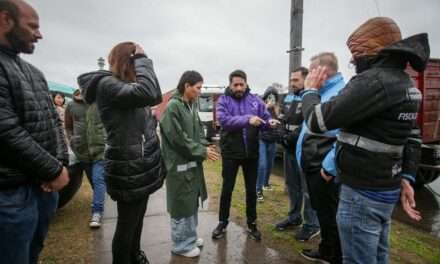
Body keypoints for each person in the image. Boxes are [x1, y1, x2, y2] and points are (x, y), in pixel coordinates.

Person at [302, 17, 429, 264]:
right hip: (385, 188)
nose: (353, 60)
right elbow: (411, 137)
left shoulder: (373, 81)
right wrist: (406, 176)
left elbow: (318, 120)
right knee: (378, 257)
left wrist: (309, 91)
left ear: (373, 49)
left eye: (357, 53)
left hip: (361, 192)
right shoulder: (406, 84)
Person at [77, 41, 165, 264]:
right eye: (136, 62)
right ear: (130, 61)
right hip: (127, 168)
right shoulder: (108, 84)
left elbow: (150, 98)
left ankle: (135, 256)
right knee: (126, 226)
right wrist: (143, 59)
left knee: (137, 221)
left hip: (140, 167)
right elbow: (151, 92)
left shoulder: (127, 88)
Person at [0, 1, 69, 263]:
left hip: (43, 190)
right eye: (32, 27)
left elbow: (55, 123)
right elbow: (6, 132)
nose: (39, 35)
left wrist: (62, 164)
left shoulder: (34, 73)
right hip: (10, 196)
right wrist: (53, 170)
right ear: (6, 19)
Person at [212, 69, 278, 241]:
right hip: (231, 153)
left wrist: (269, 123)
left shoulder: (255, 100)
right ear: (230, 85)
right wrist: (247, 119)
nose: (239, 87)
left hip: (251, 153)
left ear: (246, 84)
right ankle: (222, 222)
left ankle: (252, 223)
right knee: (227, 189)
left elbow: (263, 120)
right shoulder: (223, 100)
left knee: (251, 191)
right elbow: (224, 122)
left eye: (242, 84)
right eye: (236, 85)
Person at [160, 71, 220, 258]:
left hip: (191, 165)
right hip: (179, 166)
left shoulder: (191, 105)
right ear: (186, 86)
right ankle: (181, 245)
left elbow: (197, 133)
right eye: (198, 88)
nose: (200, 92)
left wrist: (204, 145)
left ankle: (190, 238)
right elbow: (179, 139)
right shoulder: (173, 107)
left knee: (191, 203)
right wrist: (201, 151)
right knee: (181, 206)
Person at [297, 53, 345, 264]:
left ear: (322, 71)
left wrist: (329, 166)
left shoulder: (340, 93)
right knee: (323, 212)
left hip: (325, 168)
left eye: (312, 70)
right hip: (314, 163)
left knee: (330, 214)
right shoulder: (322, 92)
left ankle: (334, 255)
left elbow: (346, 135)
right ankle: (327, 250)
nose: (308, 76)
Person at [275, 67, 320, 242]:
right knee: (293, 186)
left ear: (306, 80)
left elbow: (308, 123)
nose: (292, 83)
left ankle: (312, 225)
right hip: (288, 149)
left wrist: (289, 137)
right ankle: (294, 217)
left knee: (307, 190)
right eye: (291, 80)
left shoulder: (311, 96)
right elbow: (283, 117)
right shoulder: (289, 96)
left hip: (305, 151)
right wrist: (280, 131)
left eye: (296, 80)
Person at [65, 89, 107, 228]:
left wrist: (106, 139)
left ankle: (97, 212)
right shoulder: (71, 106)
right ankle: (98, 199)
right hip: (82, 150)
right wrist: (72, 140)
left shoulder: (100, 102)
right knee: (93, 181)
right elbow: (68, 126)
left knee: (98, 179)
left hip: (99, 149)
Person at [256, 86, 281, 202]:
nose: (271, 99)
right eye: (269, 96)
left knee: (270, 164)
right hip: (262, 139)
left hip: (273, 140)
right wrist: (266, 107)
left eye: (274, 96)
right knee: (262, 165)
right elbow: (257, 118)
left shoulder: (278, 108)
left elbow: (281, 122)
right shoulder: (261, 106)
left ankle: (265, 184)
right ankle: (258, 190)